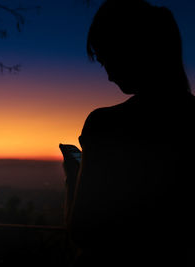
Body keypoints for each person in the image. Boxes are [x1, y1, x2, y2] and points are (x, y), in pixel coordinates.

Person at [66, 0, 195, 266]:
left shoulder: (105, 124)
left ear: (131, 49)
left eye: (106, 59)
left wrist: (75, 179)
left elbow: (83, 230)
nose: (109, 75)